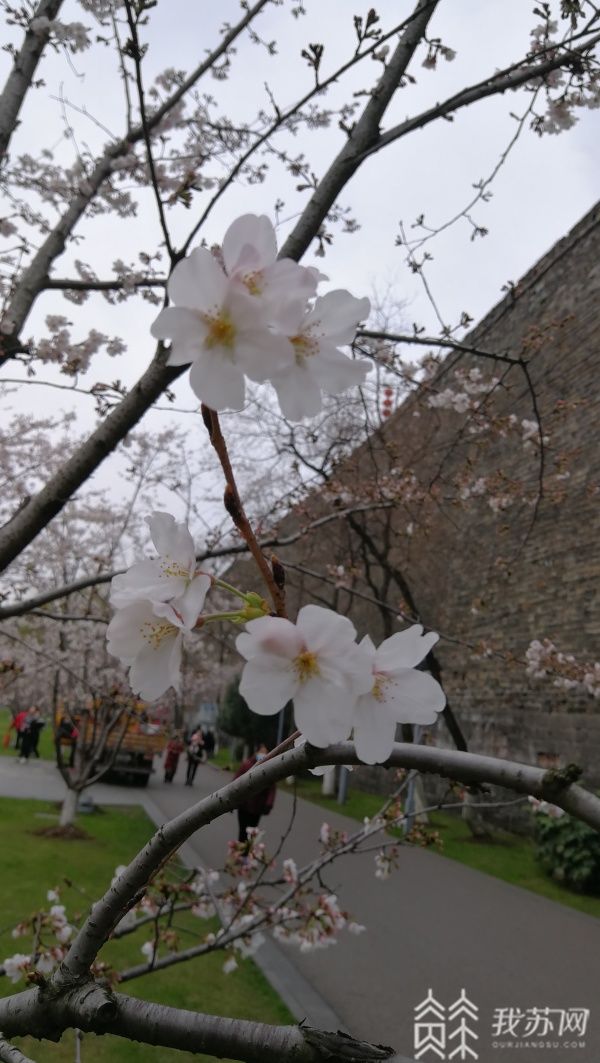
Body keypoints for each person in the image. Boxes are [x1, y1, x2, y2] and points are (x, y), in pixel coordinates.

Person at [233, 743, 276, 843]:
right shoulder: (246, 765)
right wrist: (232, 800)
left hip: (258, 807)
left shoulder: (269, 768)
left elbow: (272, 788)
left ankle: (247, 854)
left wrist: (268, 804)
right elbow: (235, 782)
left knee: (252, 832)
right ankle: (240, 854)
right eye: (262, 752)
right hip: (244, 805)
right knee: (243, 831)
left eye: (265, 752)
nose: (263, 754)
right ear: (256, 752)